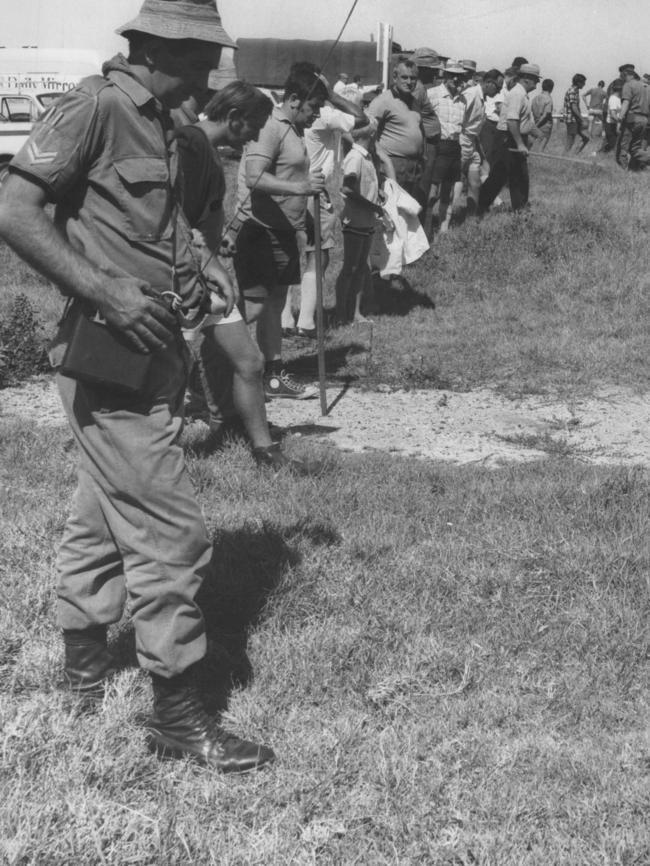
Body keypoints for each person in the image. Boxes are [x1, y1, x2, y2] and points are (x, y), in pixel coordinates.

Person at [0, 0, 275, 772]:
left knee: (100, 518)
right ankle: (179, 718)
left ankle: (84, 676)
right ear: (156, 48)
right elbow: (15, 210)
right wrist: (105, 291)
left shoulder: (171, 127)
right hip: (106, 350)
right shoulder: (95, 106)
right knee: (171, 533)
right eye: (198, 59)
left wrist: (200, 262)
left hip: (157, 352)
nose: (211, 74)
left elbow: (157, 223)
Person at [226, 65, 327, 399]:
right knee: (251, 309)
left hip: (283, 231)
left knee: (274, 306)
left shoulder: (295, 129)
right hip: (258, 229)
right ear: (295, 99)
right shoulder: (271, 126)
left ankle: (273, 377)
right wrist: (300, 189)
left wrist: (305, 218)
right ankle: (215, 369)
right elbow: (254, 177)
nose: (317, 114)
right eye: (314, 106)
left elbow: (288, 176)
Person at [280, 66, 366, 339]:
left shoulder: (285, 114)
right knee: (318, 255)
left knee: (288, 254)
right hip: (314, 190)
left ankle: (285, 319)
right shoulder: (325, 114)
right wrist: (332, 96)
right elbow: (362, 119)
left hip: (287, 187)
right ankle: (305, 320)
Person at [334, 119, 386, 323]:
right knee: (350, 268)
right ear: (370, 135)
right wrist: (372, 206)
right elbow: (347, 189)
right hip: (354, 219)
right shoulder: (355, 157)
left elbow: (366, 185)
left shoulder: (366, 158)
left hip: (366, 221)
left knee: (361, 268)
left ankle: (355, 313)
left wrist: (378, 194)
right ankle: (340, 313)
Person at [477, 63, 542, 215]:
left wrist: (536, 133)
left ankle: (485, 205)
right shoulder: (517, 95)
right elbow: (512, 121)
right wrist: (520, 144)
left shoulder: (521, 94)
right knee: (514, 176)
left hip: (512, 137)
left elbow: (523, 120)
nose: (537, 83)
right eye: (535, 79)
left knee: (505, 176)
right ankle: (518, 211)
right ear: (527, 79)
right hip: (508, 138)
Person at [367, 56, 426, 211]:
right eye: (404, 77)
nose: (409, 82)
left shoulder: (414, 101)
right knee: (392, 209)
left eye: (413, 78)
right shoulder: (383, 100)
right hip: (393, 164)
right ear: (395, 77)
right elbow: (367, 131)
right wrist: (380, 158)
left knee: (408, 210)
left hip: (414, 166)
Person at [427, 59, 469, 233]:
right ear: (445, 75)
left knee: (449, 191)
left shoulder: (463, 99)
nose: (456, 80)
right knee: (432, 192)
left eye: (459, 77)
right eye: (452, 76)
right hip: (437, 146)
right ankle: (426, 228)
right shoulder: (432, 94)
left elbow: (463, 126)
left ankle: (444, 229)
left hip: (454, 146)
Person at [617, 63, 650, 170]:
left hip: (632, 117)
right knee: (635, 148)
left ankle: (622, 170)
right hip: (644, 119)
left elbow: (626, 103)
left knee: (624, 145)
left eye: (621, 75)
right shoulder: (645, 87)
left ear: (625, 73)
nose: (620, 77)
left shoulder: (628, 85)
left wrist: (620, 117)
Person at [563, 74, 589, 154]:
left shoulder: (576, 91)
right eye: (583, 82)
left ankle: (574, 154)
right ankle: (564, 157)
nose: (584, 84)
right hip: (571, 119)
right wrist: (582, 119)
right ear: (578, 82)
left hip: (575, 119)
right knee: (570, 140)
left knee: (586, 138)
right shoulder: (572, 91)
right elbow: (573, 107)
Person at [531, 78, 554, 151]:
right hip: (545, 126)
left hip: (536, 122)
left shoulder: (535, 98)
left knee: (533, 146)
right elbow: (546, 114)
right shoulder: (548, 99)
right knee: (540, 149)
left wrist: (535, 125)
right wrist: (537, 125)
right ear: (551, 88)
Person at [601, 79, 622, 153]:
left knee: (612, 144)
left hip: (614, 125)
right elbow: (613, 114)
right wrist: (620, 121)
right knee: (612, 144)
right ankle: (598, 154)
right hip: (610, 125)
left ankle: (600, 154)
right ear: (620, 89)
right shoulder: (613, 99)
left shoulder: (618, 99)